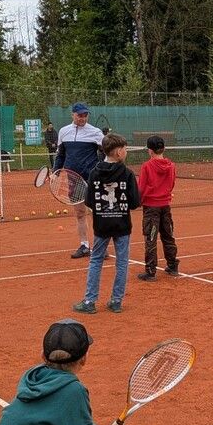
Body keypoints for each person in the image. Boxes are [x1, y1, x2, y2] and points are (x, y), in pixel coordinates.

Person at [74, 132, 140, 313]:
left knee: (96, 260)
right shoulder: (127, 173)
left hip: (102, 225)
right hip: (122, 225)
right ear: (118, 152)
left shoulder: (94, 173)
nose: (126, 151)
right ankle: (116, 301)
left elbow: (89, 201)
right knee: (122, 262)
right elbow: (135, 202)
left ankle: (89, 302)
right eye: (125, 149)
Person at [55, 102, 105, 258]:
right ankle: (84, 245)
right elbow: (60, 155)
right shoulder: (63, 131)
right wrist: (55, 171)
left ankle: (101, 246)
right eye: (79, 115)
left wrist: (102, 169)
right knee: (80, 213)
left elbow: (105, 153)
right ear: (73, 115)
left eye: (85, 115)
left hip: (92, 178)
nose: (82, 118)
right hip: (73, 178)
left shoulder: (95, 132)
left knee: (98, 212)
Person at [136, 135, 180, 280]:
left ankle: (150, 271)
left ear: (150, 150)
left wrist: (138, 201)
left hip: (151, 208)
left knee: (151, 238)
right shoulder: (171, 166)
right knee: (168, 236)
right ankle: (172, 265)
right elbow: (172, 184)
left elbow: (141, 187)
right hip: (165, 206)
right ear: (163, 149)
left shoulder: (147, 166)